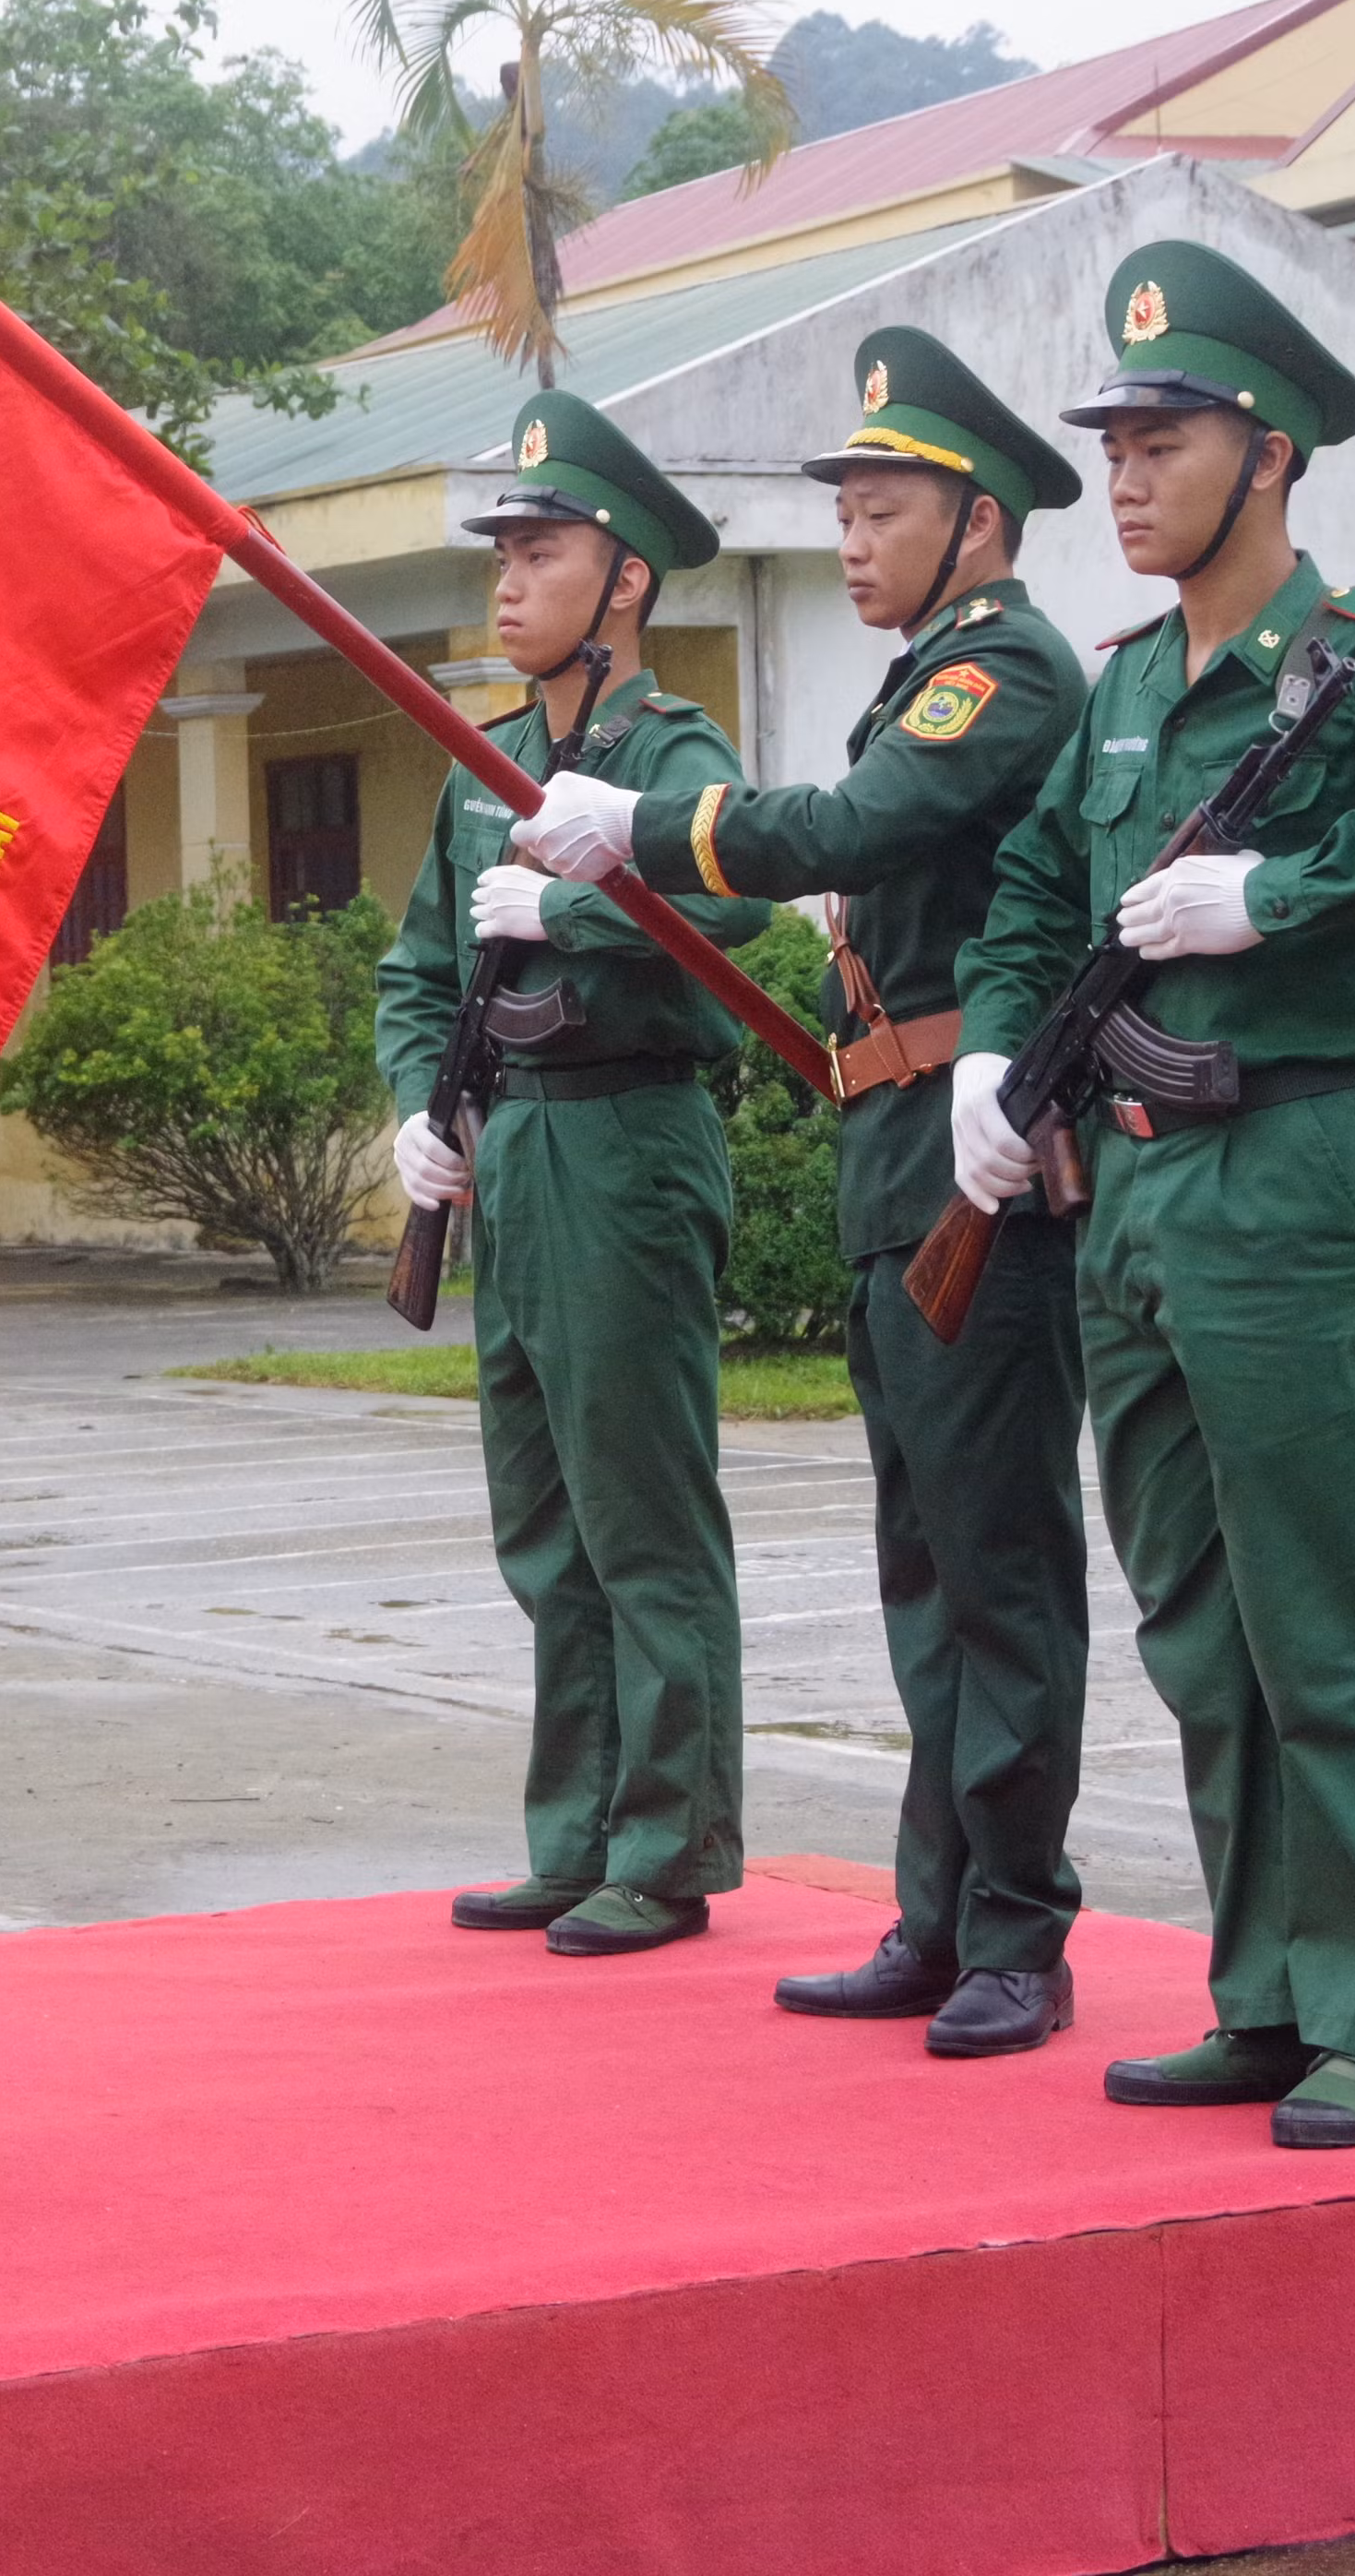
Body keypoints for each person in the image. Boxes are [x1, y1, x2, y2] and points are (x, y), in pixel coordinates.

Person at [951, 241, 1355, 2148]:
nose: (1126, 474)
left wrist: (1278, 897)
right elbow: (1039, 897)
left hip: (1300, 1172)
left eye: (1165, 436)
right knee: (1203, 1629)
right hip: (1135, 1195)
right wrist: (992, 1053)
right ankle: (1273, 1996)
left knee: (1325, 1615)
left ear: (1273, 453)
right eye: (1116, 440)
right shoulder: (1132, 688)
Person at [513, 328, 1097, 2059]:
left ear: (976, 522)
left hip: (966, 1140)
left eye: (884, 505)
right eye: (841, 505)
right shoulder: (926, 666)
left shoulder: (1006, 672)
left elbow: (850, 830)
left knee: (996, 1558)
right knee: (924, 1556)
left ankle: (1017, 1931)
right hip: (895, 1137)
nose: (850, 534)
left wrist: (650, 835)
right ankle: (940, 1913)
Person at [384, 390, 775, 1959]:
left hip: (628, 1136)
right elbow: (418, 966)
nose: (506, 581)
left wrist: (591, 910)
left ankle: (667, 1845)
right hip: (518, 1147)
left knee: (643, 1512)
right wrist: (423, 1106)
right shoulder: (483, 771)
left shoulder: (672, 754)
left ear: (624, 578)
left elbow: (746, 904)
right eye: (503, 552)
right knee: (542, 1515)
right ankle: (579, 1828)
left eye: (540, 551)